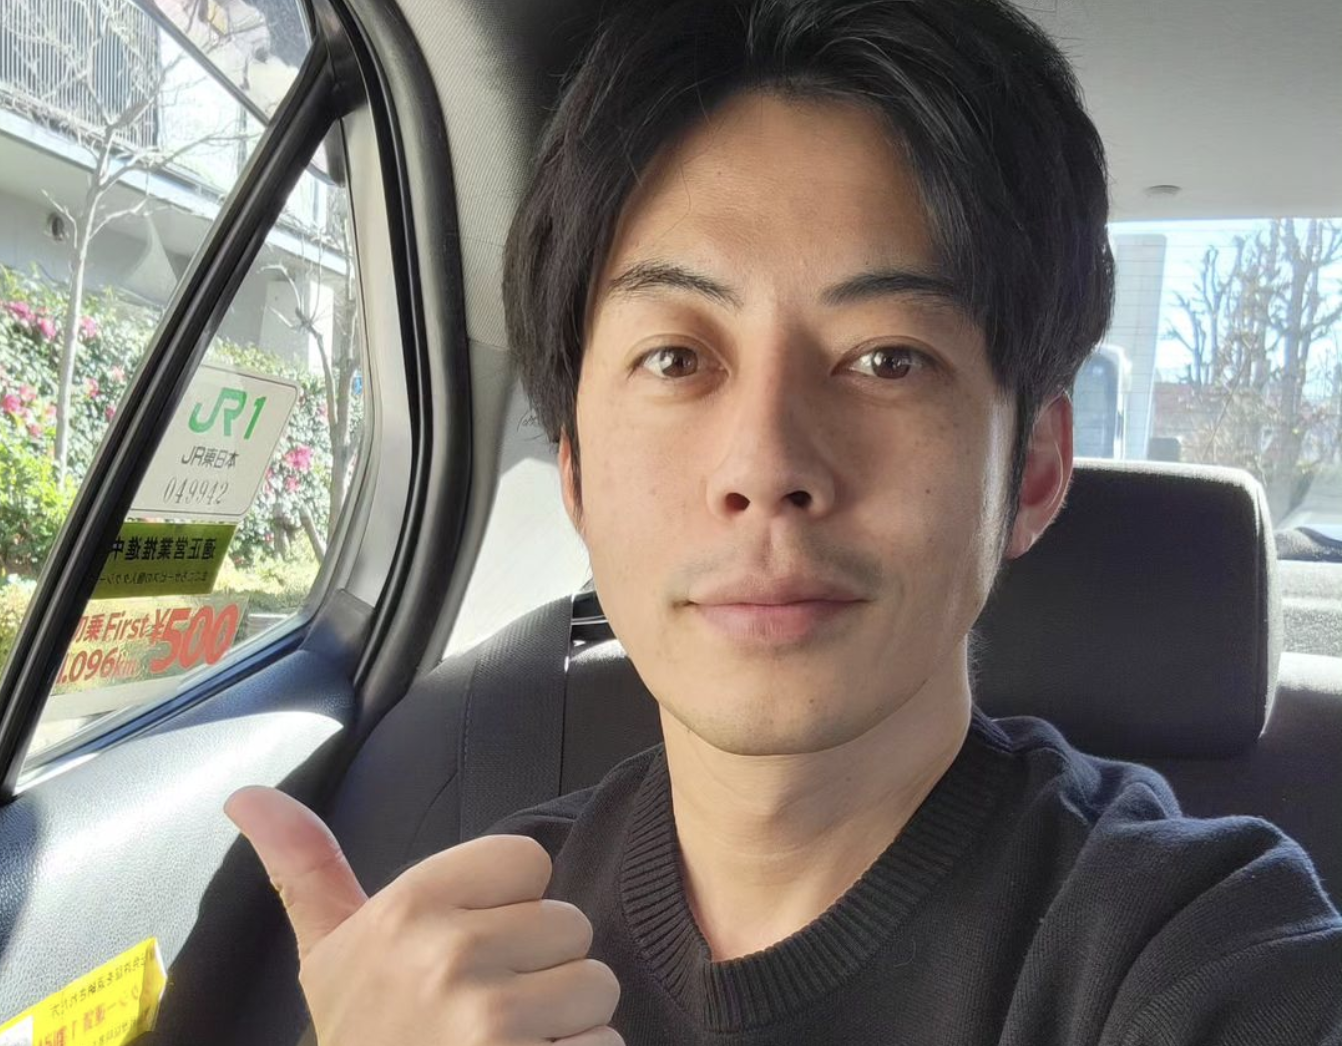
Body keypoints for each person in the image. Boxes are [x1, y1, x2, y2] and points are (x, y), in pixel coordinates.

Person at [225, 0, 1342, 1042]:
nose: (766, 466)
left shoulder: (1200, 943)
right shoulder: (467, 938)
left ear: (1035, 472)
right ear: (575, 476)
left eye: (888, 359)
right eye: (675, 358)